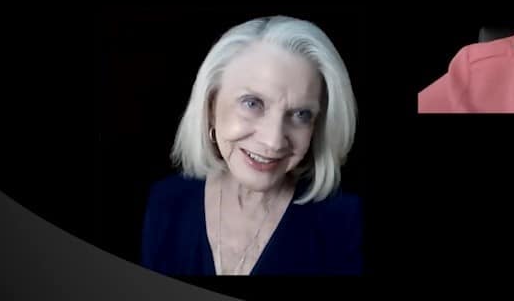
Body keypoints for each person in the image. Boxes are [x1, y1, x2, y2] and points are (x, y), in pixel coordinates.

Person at [142, 16, 362, 275]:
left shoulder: (346, 221)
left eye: (301, 114)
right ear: (211, 106)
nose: (273, 141)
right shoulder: (166, 202)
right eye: (252, 103)